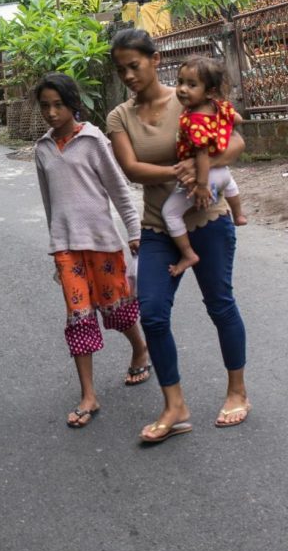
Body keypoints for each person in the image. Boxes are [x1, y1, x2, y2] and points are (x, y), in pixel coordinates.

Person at [106, 29, 250, 443]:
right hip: (157, 225)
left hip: (207, 219)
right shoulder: (120, 116)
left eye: (134, 65)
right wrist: (178, 171)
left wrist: (201, 170)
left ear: (154, 59)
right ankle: (176, 406)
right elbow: (132, 170)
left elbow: (236, 141)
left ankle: (237, 391)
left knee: (220, 304)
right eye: (122, 70)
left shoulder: (188, 96)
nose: (129, 75)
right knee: (151, 312)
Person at [33, 73, 150, 429]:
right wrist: (56, 249)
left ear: (72, 104)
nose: (52, 113)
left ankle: (140, 349)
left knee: (116, 310)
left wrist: (133, 232)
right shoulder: (42, 149)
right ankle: (88, 394)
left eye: (58, 104)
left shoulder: (93, 139)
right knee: (79, 317)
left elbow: (118, 188)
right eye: (45, 106)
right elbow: (49, 203)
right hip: (67, 250)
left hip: (102, 242)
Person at [163, 56, 248, 277]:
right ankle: (238, 214)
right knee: (229, 182)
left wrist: (201, 185)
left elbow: (201, 156)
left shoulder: (194, 120)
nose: (182, 89)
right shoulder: (219, 106)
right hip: (224, 173)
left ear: (209, 91)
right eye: (180, 81)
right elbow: (237, 118)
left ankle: (188, 254)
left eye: (191, 85)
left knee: (170, 213)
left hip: (206, 176)